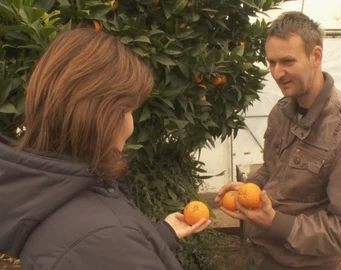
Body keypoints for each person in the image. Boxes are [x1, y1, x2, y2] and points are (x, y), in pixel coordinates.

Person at [0, 28, 211, 270]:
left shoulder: (55, 196)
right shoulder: (103, 240)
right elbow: (101, 248)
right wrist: (119, 239)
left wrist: (160, 234)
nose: (131, 125)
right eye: (130, 110)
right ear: (105, 117)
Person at [215, 11, 341, 270]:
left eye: (287, 61)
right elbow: (273, 169)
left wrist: (275, 223)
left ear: (316, 56)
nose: (277, 73)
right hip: (262, 254)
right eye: (272, 62)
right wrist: (248, 189)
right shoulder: (281, 112)